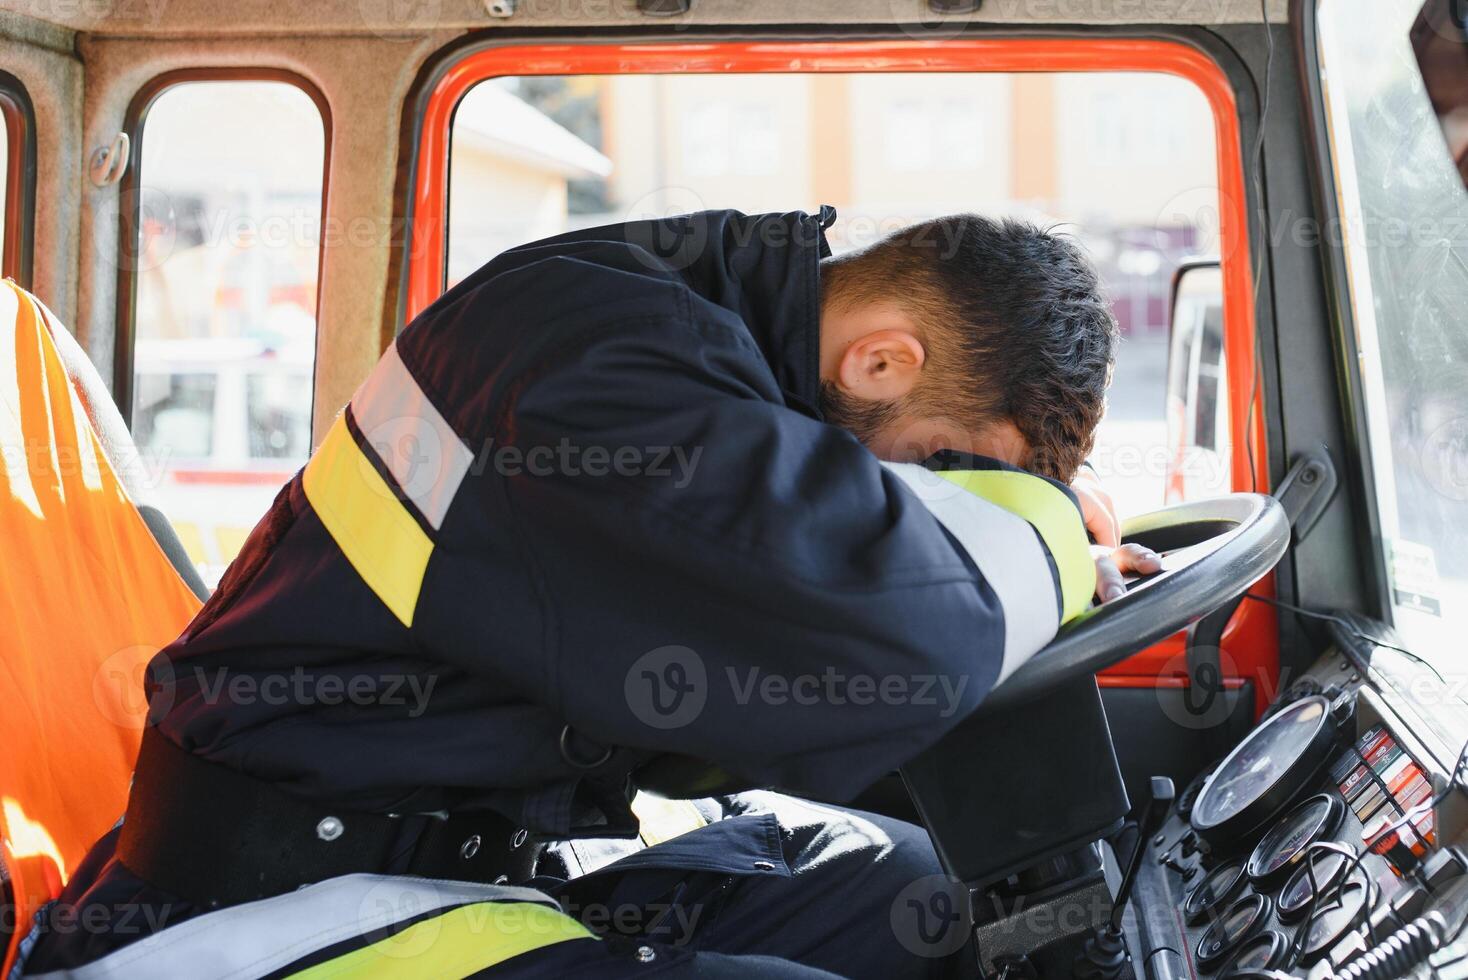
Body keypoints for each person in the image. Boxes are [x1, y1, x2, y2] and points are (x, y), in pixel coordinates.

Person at [19, 207, 1159, 979]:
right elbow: (901, 638)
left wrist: (1053, 539)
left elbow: (767, 643)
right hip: (280, 893)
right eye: (950, 465)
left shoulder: (679, 348)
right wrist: (1052, 536)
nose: (939, 503)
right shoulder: (599, 371)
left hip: (475, 838)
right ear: (877, 362)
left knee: (934, 901)